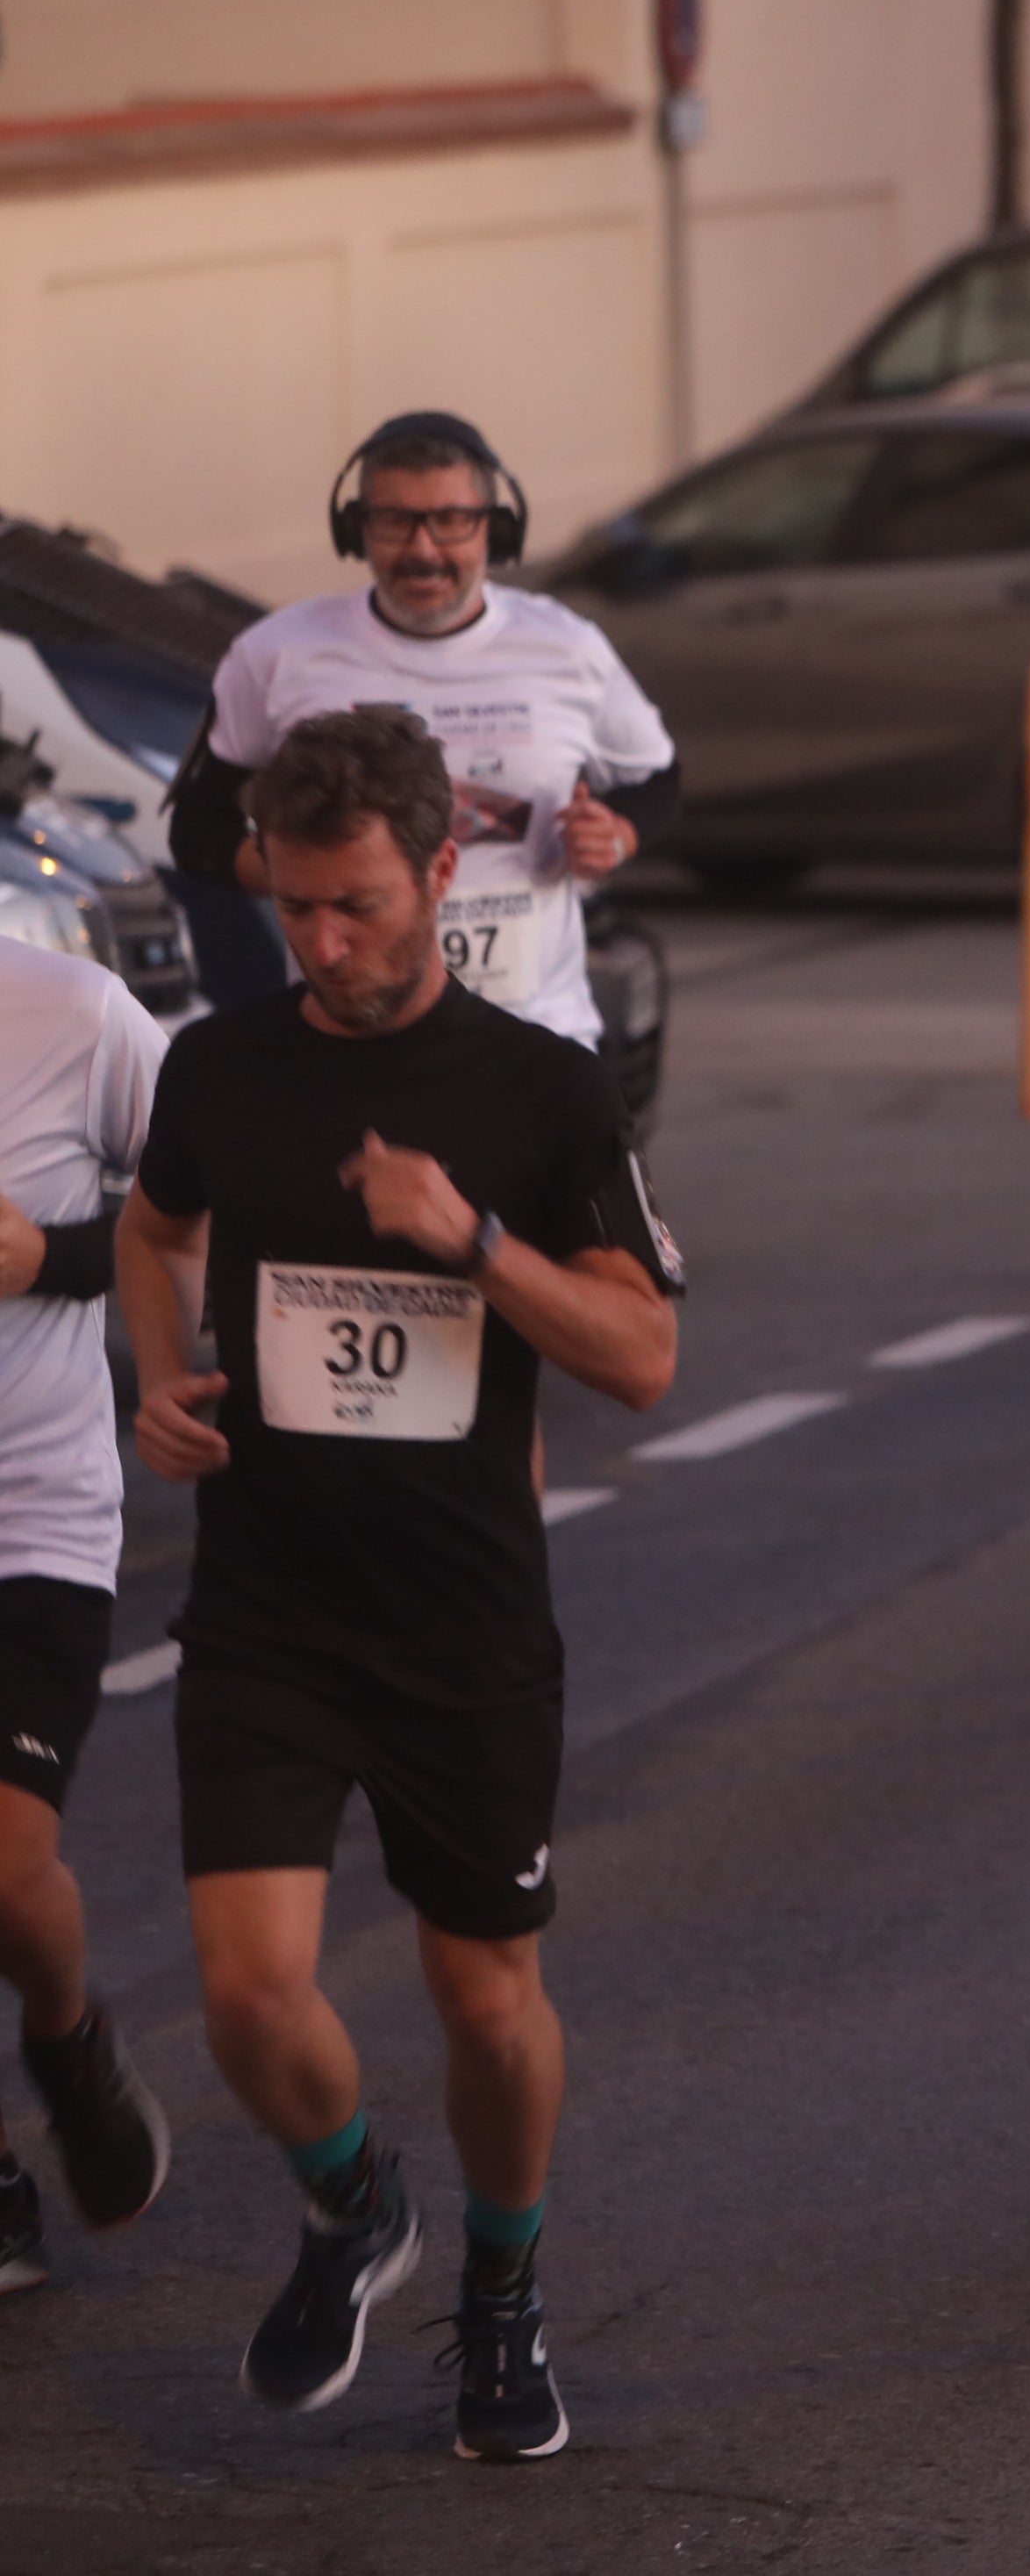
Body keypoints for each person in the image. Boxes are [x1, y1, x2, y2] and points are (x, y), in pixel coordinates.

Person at [114, 707, 685, 2460]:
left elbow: (646, 1355)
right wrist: (158, 1378)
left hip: (462, 1622)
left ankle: (502, 2291)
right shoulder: (220, 1067)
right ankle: (356, 2207)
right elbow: (155, 1226)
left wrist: (474, 1241)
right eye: (295, 907)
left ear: (442, 870)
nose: (324, 942)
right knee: (246, 1988)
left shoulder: (536, 1089)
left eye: (356, 903)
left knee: (484, 1999)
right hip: (271, 1606)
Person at [170, 414, 676, 1051]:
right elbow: (197, 829)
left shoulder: (567, 647)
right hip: (348, 1040)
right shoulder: (279, 653)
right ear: (356, 530)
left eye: (451, 520)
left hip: (538, 1038)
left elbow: (656, 778)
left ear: (495, 527)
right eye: (395, 520)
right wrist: (319, 882)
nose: (424, 548)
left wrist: (617, 833)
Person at [0, 935, 177, 2297]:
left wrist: (48, 1254)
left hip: (30, 1515)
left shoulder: (71, 1009)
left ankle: (64, 2038)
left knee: (5, 1865)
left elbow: (206, 1197)